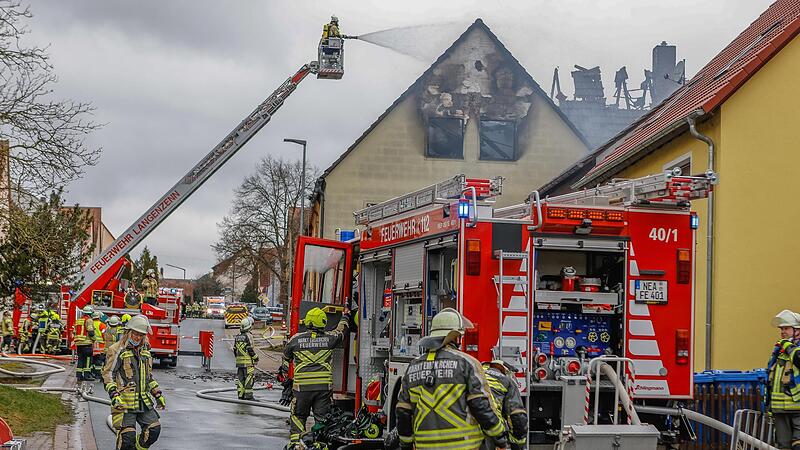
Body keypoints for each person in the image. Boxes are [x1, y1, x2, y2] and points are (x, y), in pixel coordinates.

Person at [396, 308, 506, 450]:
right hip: (465, 446)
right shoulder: (468, 363)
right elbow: (481, 406)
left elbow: (403, 412)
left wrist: (406, 443)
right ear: (456, 338)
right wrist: (499, 438)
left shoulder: (413, 367)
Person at [280, 307, 350, 448]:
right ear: (322, 322)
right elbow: (341, 332)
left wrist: (286, 380)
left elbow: (285, 359)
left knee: (298, 416)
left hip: (301, 388)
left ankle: (296, 444)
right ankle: (319, 445)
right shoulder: (329, 339)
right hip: (323, 388)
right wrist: (345, 316)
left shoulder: (295, 340)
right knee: (322, 419)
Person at [103, 314, 165, 450]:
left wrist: (157, 393)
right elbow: (108, 374)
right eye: (135, 334)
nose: (138, 338)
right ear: (128, 332)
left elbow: (148, 377)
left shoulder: (145, 351)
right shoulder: (116, 350)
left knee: (153, 430)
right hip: (124, 402)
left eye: (141, 335)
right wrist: (113, 394)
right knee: (127, 439)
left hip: (143, 400)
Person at [768, 309, 800, 450]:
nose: (782, 331)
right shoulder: (779, 352)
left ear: (797, 330)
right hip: (780, 409)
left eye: (786, 328)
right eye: (781, 328)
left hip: (798, 408)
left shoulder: (792, 350)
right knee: (783, 446)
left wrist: (788, 346)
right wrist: (770, 405)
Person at [481, 360, 528, 450]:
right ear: (505, 370)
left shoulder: (473, 375)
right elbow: (517, 417)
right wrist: (517, 445)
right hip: (492, 432)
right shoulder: (507, 381)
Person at [234, 317, 258, 400]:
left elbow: (234, 350)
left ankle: (240, 395)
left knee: (240, 379)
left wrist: (238, 359)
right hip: (248, 363)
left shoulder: (237, 337)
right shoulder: (249, 336)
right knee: (248, 378)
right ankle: (248, 396)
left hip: (239, 363)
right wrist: (255, 358)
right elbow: (250, 349)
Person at [73, 305, 96, 381]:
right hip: (87, 343)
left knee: (80, 359)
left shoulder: (79, 320)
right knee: (88, 359)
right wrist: (94, 339)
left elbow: (74, 331)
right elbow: (91, 332)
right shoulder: (89, 320)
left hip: (79, 343)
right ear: (90, 313)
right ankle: (87, 375)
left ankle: (79, 376)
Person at [92, 311, 108, 378]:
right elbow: (104, 334)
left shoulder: (91, 323)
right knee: (99, 361)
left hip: (92, 345)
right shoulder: (102, 325)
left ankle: (92, 372)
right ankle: (98, 374)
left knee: (93, 360)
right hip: (100, 346)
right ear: (99, 317)